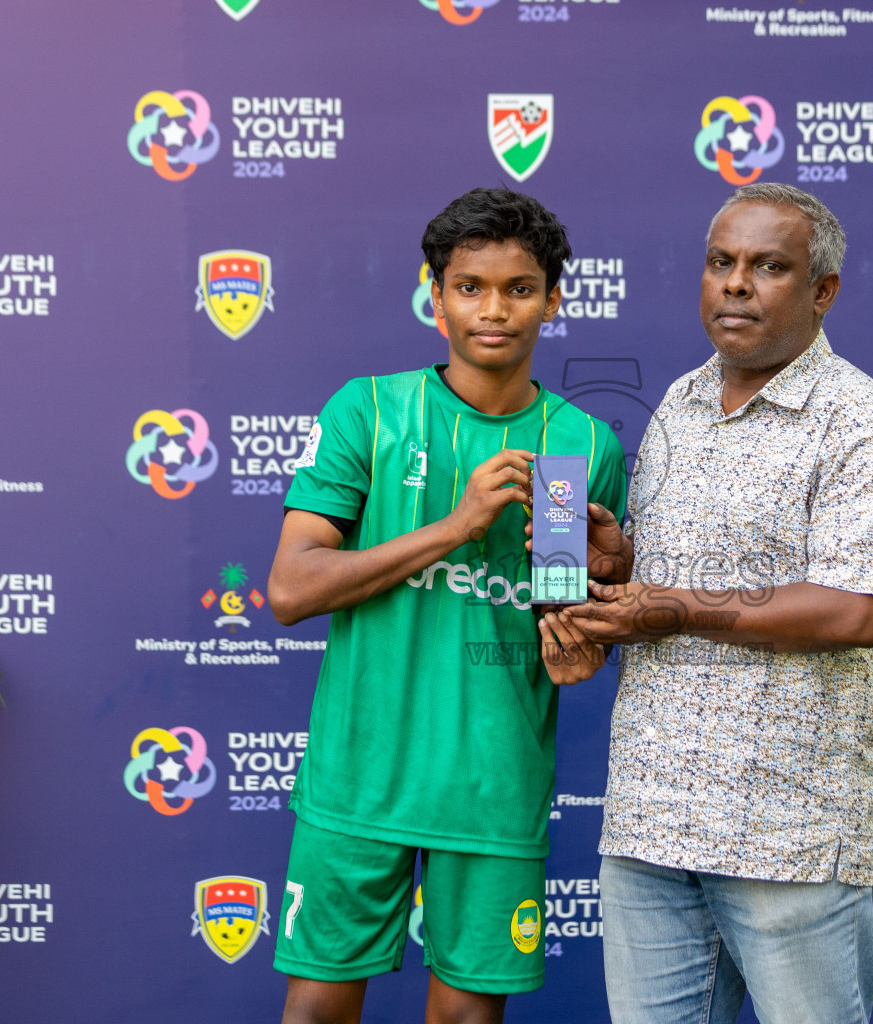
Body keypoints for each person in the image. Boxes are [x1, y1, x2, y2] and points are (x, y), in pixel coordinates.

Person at [266, 187, 628, 1024]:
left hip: (493, 783)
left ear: (554, 299)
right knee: (319, 1003)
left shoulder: (580, 444)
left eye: (519, 288)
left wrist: (583, 630)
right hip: (361, 778)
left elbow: (561, 627)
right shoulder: (370, 409)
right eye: (470, 287)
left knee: (466, 1016)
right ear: (436, 298)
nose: (494, 309)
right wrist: (455, 527)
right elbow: (291, 588)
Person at [568, 183, 873, 1024]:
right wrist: (617, 563)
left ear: (822, 291)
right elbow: (663, 581)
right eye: (721, 263)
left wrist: (673, 608)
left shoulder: (862, 424)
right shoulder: (679, 409)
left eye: (769, 267)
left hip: (786, 833)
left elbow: (855, 612)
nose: (736, 284)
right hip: (651, 823)